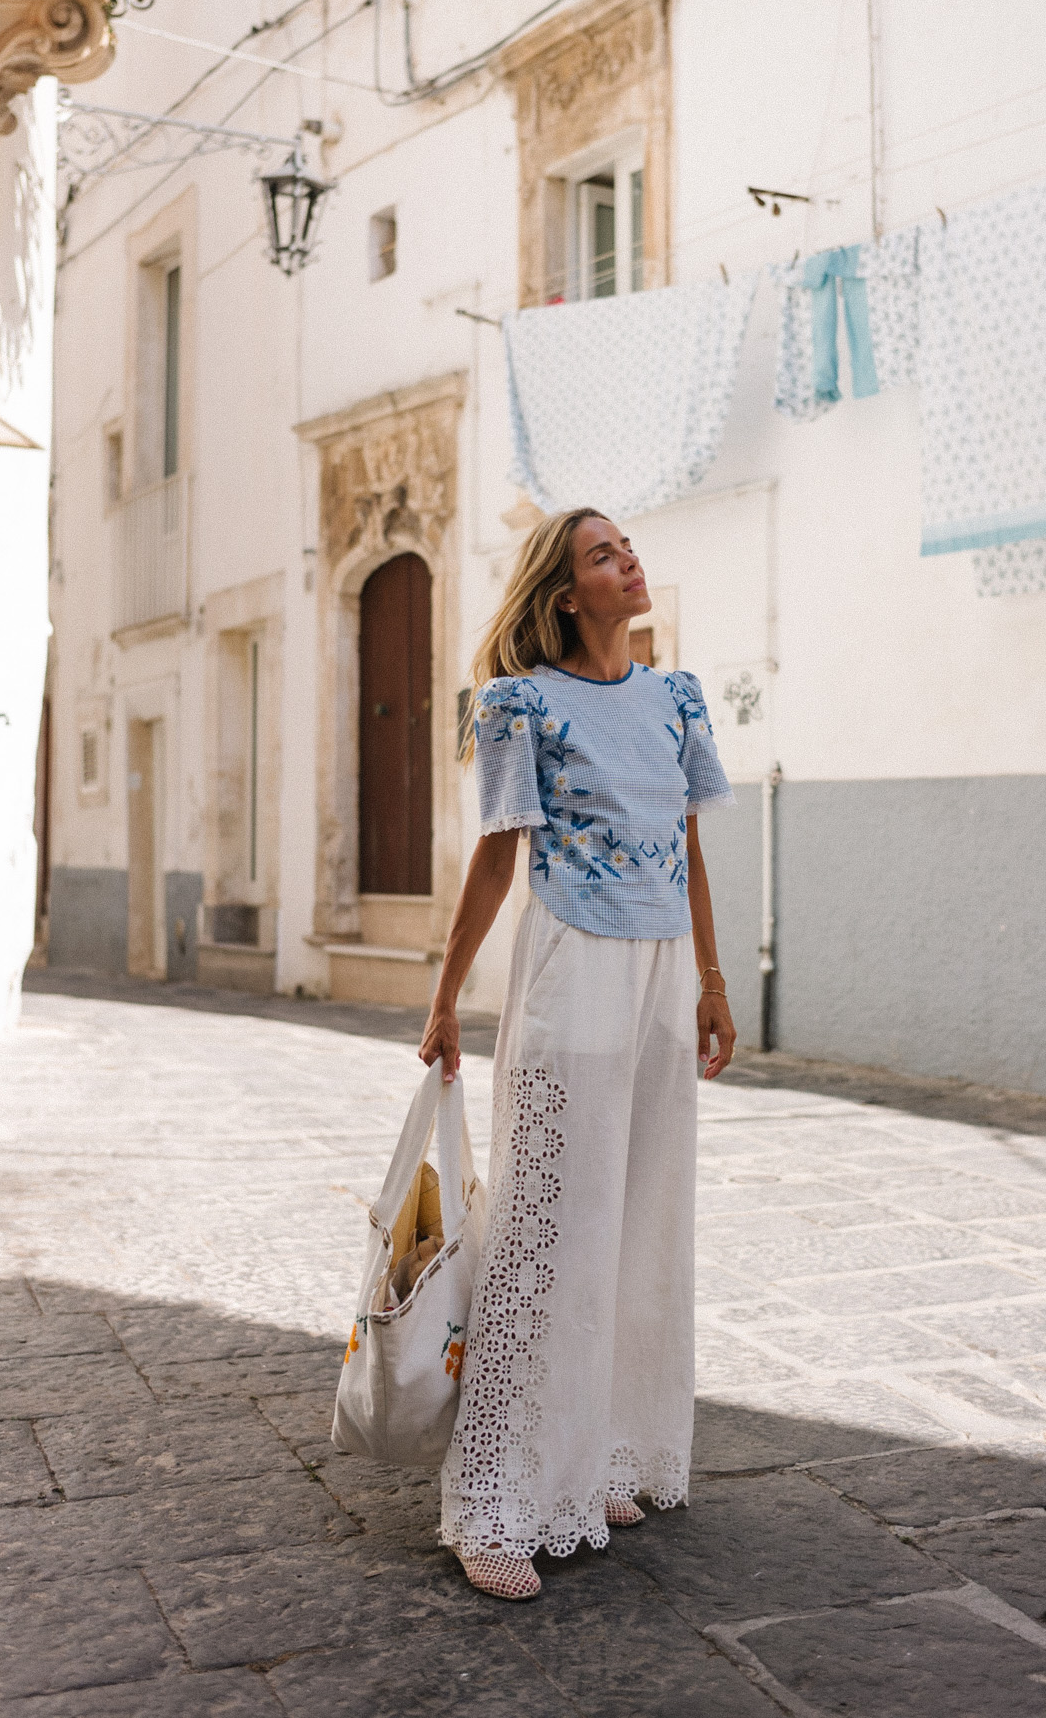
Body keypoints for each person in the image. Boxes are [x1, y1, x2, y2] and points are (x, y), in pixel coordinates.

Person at [419, 506, 738, 1601]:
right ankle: (495, 1501)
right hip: (569, 967)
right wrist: (447, 997)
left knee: (639, 1213)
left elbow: (687, 849)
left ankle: (592, 1453)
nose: (629, 561)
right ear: (564, 594)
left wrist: (710, 982)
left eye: (629, 546)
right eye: (604, 555)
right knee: (548, 1222)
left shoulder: (675, 697)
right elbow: (496, 860)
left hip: (657, 977)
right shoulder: (519, 704)